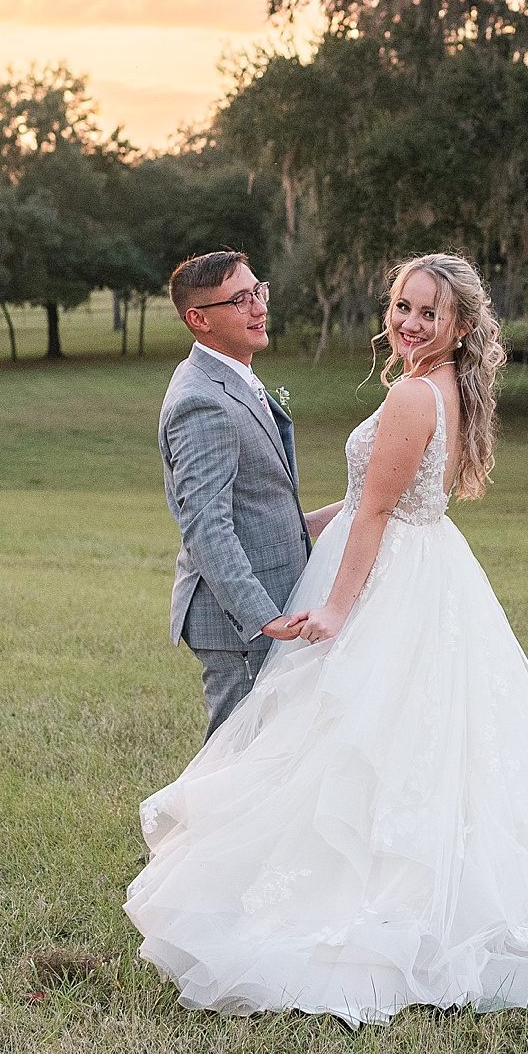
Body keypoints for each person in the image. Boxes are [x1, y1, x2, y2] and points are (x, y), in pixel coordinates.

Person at [128, 252, 528, 1026]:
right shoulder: (440, 388)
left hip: (385, 582)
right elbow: (359, 504)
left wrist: (335, 610)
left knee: (329, 744)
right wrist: (296, 533)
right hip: (416, 570)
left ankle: (290, 901)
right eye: (402, 305)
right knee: (387, 749)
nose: (407, 321)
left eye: (427, 312)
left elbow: (374, 511)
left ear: (460, 326)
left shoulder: (412, 395)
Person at [156, 251, 343, 741]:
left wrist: (350, 509)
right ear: (199, 320)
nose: (259, 307)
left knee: (268, 760)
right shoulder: (202, 400)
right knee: (236, 757)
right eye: (239, 300)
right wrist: (264, 619)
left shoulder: (236, 378)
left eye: (258, 290)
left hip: (274, 594)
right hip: (237, 621)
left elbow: (255, 509)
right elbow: (206, 526)